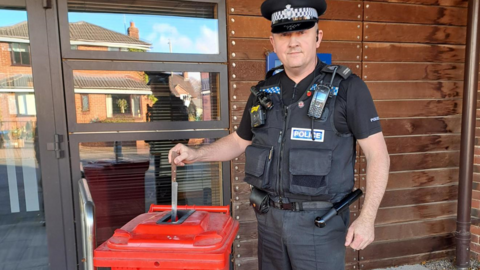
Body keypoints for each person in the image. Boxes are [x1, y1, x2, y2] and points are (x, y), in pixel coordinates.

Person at [169, 0, 390, 269]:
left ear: (317, 37)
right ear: (273, 42)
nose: (293, 42)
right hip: (269, 222)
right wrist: (196, 153)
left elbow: (378, 155)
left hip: (320, 225)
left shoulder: (348, 89)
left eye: (302, 33)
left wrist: (367, 217)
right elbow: (239, 141)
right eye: (285, 34)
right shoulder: (263, 92)